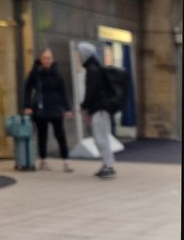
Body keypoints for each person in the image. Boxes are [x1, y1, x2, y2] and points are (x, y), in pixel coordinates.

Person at [24, 47, 73, 171]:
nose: (47, 61)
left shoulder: (57, 73)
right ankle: (43, 161)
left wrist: (67, 108)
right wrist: (27, 106)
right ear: (41, 60)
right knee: (42, 135)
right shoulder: (35, 73)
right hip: (40, 109)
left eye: (49, 58)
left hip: (56, 108)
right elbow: (27, 89)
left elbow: (63, 91)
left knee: (60, 134)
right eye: (44, 58)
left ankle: (66, 161)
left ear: (52, 59)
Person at [78, 41, 116, 179]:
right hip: (100, 107)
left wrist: (84, 107)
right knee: (101, 137)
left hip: (99, 108)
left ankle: (108, 165)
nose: (78, 56)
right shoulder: (95, 67)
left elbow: (91, 91)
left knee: (101, 137)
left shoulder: (92, 70)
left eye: (80, 53)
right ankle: (107, 163)